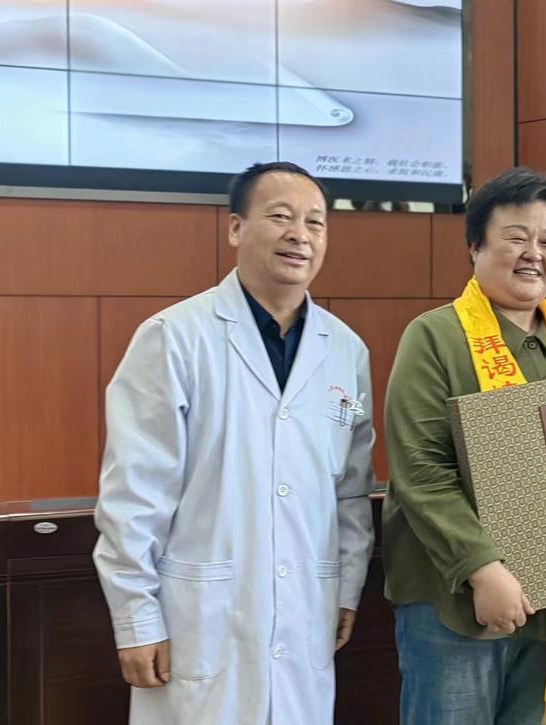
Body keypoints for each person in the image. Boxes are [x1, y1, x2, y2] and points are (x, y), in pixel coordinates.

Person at [92, 161, 376, 724]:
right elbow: (135, 494)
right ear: (235, 228)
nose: (300, 234)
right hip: (200, 621)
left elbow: (350, 491)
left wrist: (346, 587)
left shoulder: (346, 351)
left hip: (307, 611)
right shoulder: (174, 338)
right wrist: (136, 618)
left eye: (315, 222)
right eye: (281, 217)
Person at [381, 166, 546, 724]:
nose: (534, 254)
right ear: (475, 246)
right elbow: (421, 470)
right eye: (516, 237)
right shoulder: (435, 336)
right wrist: (483, 568)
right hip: (454, 600)